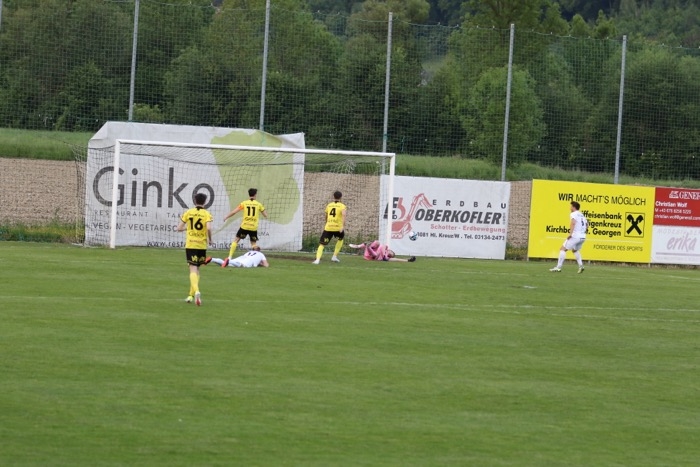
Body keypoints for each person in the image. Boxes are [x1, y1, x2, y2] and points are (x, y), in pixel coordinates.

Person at [176, 192, 213, 305]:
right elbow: (208, 228)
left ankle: (196, 291)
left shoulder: (188, 212)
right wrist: (210, 239)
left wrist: (187, 228)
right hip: (201, 245)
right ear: (205, 202)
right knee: (197, 269)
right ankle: (190, 296)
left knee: (192, 269)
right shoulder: (206, 213)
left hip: (191, 244)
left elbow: (179, 228)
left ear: (194, 201)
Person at [222, 188, 267, 267]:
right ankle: (256, 258)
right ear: (255, 195)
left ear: (249, 194)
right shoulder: (259, 204)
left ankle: (229, 257)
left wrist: (226, 217)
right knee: (253, 244)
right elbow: (265, 215)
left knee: (236, 240)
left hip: (244, 226)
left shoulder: (244, 203)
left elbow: (234, 212)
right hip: (253, 227)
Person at [550, 201, 588, 273]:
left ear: (574, 207)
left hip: (575, 236)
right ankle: (581, 266)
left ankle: (558, 267)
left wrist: (570, 234)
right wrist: (582, 232)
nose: (570, 208)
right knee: (575, 250)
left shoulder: (573, 214)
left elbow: (573, 223)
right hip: (583, 237)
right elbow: (587, 225)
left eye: (571, 206)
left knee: (562, 249)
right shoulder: (582, 215)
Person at [313, 190, 347, 264]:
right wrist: (342, 226)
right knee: (340, 239)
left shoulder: (329, 205)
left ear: (333, 197)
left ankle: (317, 260)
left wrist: (327, 223)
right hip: (338, 227)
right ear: (341, 197)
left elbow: (326, 216)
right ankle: (334, 256)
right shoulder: (342, 206)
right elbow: (344, 215)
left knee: (322, 244)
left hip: (328, 227)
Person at [349, 241, 416, 262]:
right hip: (371, 251)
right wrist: (384, 255)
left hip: (370, 257)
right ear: (390, 250)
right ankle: (358, 246)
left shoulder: (387, 258)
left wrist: (408, 260)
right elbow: (383, 246)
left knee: (376, 255)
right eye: (392, 253)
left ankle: (367, 246)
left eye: (391, 255)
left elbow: (396, 259)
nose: (391, 255)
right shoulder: (385, 248)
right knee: (377, 242)